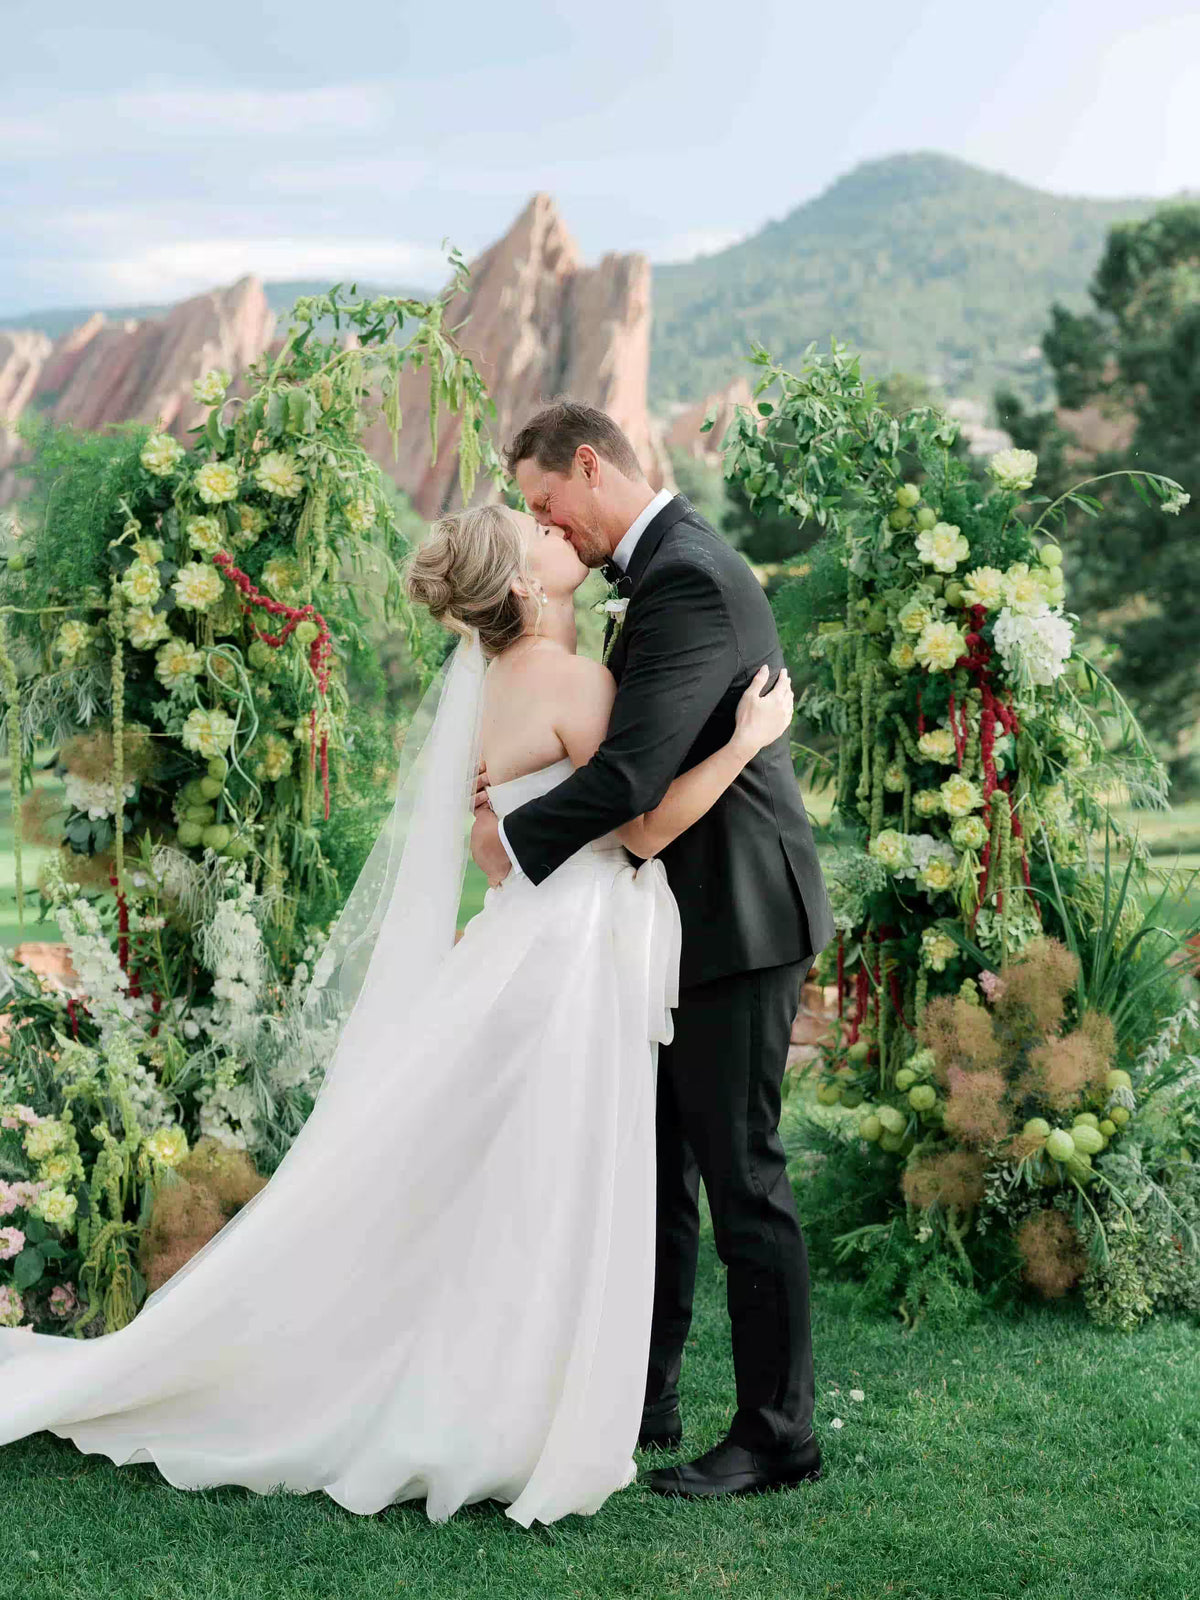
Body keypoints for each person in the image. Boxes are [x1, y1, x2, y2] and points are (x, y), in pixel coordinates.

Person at [0, 502, 792, 1527]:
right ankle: (529, 1398)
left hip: (535, 938)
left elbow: (497, 840)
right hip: (572, 956)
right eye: (538, 534)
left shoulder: (503, 684)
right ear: (521, 587)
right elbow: (641, 826)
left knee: (521, 1176)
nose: (559, 534)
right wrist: (747, 741)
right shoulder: (573, 680)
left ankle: (544, 1383)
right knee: (557, 1174)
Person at [471, 401, 836, 1500]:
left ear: (588, 465)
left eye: (544, 504)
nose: (549, 528)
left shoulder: (687, 574)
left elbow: (631, 784)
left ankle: (780, 1431)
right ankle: (645, 1398)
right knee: (661, 1172)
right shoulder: (662, 572)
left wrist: (507, 832)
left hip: (737, 916)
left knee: (741, 1173)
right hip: (676, 918)